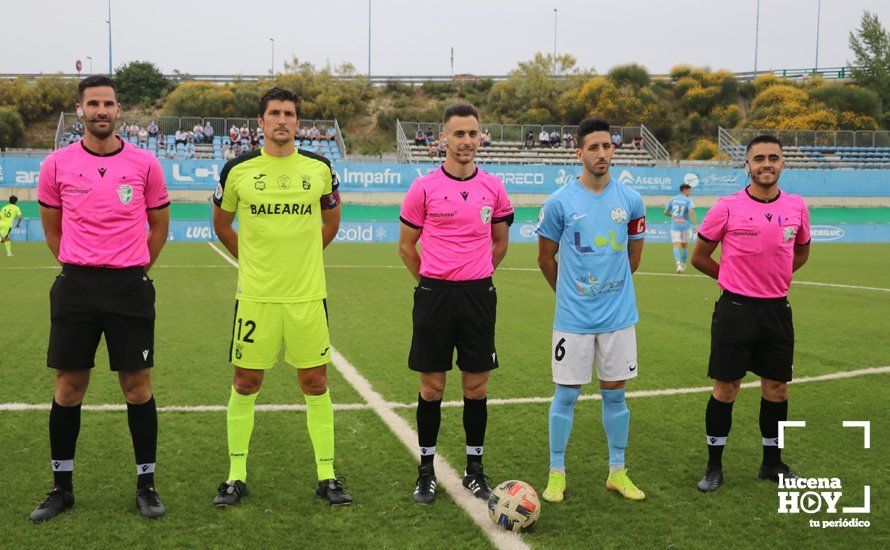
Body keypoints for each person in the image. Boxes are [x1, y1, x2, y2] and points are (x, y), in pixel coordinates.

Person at [31, 75, 170, 521]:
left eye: (108, 103)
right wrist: (81, 266)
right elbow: (52, 229)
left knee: (137, 386)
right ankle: (61, 488)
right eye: (93, 104)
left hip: (130, 286)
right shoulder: (56, 164)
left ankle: (146, 485)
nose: (101, 111)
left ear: (118, 110)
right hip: (76, 286)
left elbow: (159, 227)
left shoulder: (145, 164)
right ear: (80, 111)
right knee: (69, 387)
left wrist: (133, 269)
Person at [211, 87, 352, 507]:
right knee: (246, 381)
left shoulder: (320, 168)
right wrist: (254, 262)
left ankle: (327, 475)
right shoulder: (237, 170)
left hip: (307, 297)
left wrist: (301, 260)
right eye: (274, 113)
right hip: (256, 297)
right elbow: (222, 224)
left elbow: (331, 223)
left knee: (315, 382)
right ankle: (235, 476)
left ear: (298, 122)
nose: (282, 120)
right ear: (260, 121)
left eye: (289, 113)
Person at [398, 103, 514, 505]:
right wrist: (432, 281)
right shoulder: (424, 187)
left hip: (478, 295)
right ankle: (426, 471)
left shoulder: (494, 187)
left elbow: (500, 243)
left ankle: (474, 469)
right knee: (431, 388)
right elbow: (406, 246)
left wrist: (476, 275)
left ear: (481, 137)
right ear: (442, 138)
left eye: (473, 134)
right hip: (434, 296)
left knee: (476, 386)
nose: (467, 141)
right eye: (459, 134)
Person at [536, 116, 647, 503]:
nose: (602, 153)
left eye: (608, 146)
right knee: (565, 395)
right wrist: (569, 294)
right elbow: (545, 258)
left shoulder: (631, 200)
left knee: (616, 396)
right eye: (594, 147)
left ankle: (618, 472)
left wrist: (608, 291)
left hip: (618, 318)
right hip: (574, 319)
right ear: (579, 151)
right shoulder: (560, 202)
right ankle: (556, 474)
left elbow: (633, 260)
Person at [691, 135, 811, 493]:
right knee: (726, 389)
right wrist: (731, 279)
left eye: (773, 157)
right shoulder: (726, 207)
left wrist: (778, 278)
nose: (766, 164)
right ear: (747, 166)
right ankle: (714, 467)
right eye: (759, 158)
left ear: (782, 164)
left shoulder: (797, 206)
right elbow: (699, 256)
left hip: (777, 311)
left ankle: (772, 463)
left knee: (777, 389)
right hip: (736, 310)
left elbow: (801, 252)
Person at [665, 183, 698, 273]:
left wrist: (673, 216)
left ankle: (678, 264)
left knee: (676, 245)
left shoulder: (672, 199)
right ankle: (683, 264)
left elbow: (666, 212)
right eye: (689, 191)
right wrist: (695, 225)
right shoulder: (688, 201)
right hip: (685, 225)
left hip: (675, 225)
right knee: (684, 246)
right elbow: (691, 212)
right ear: (684, 190)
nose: (690, 193)